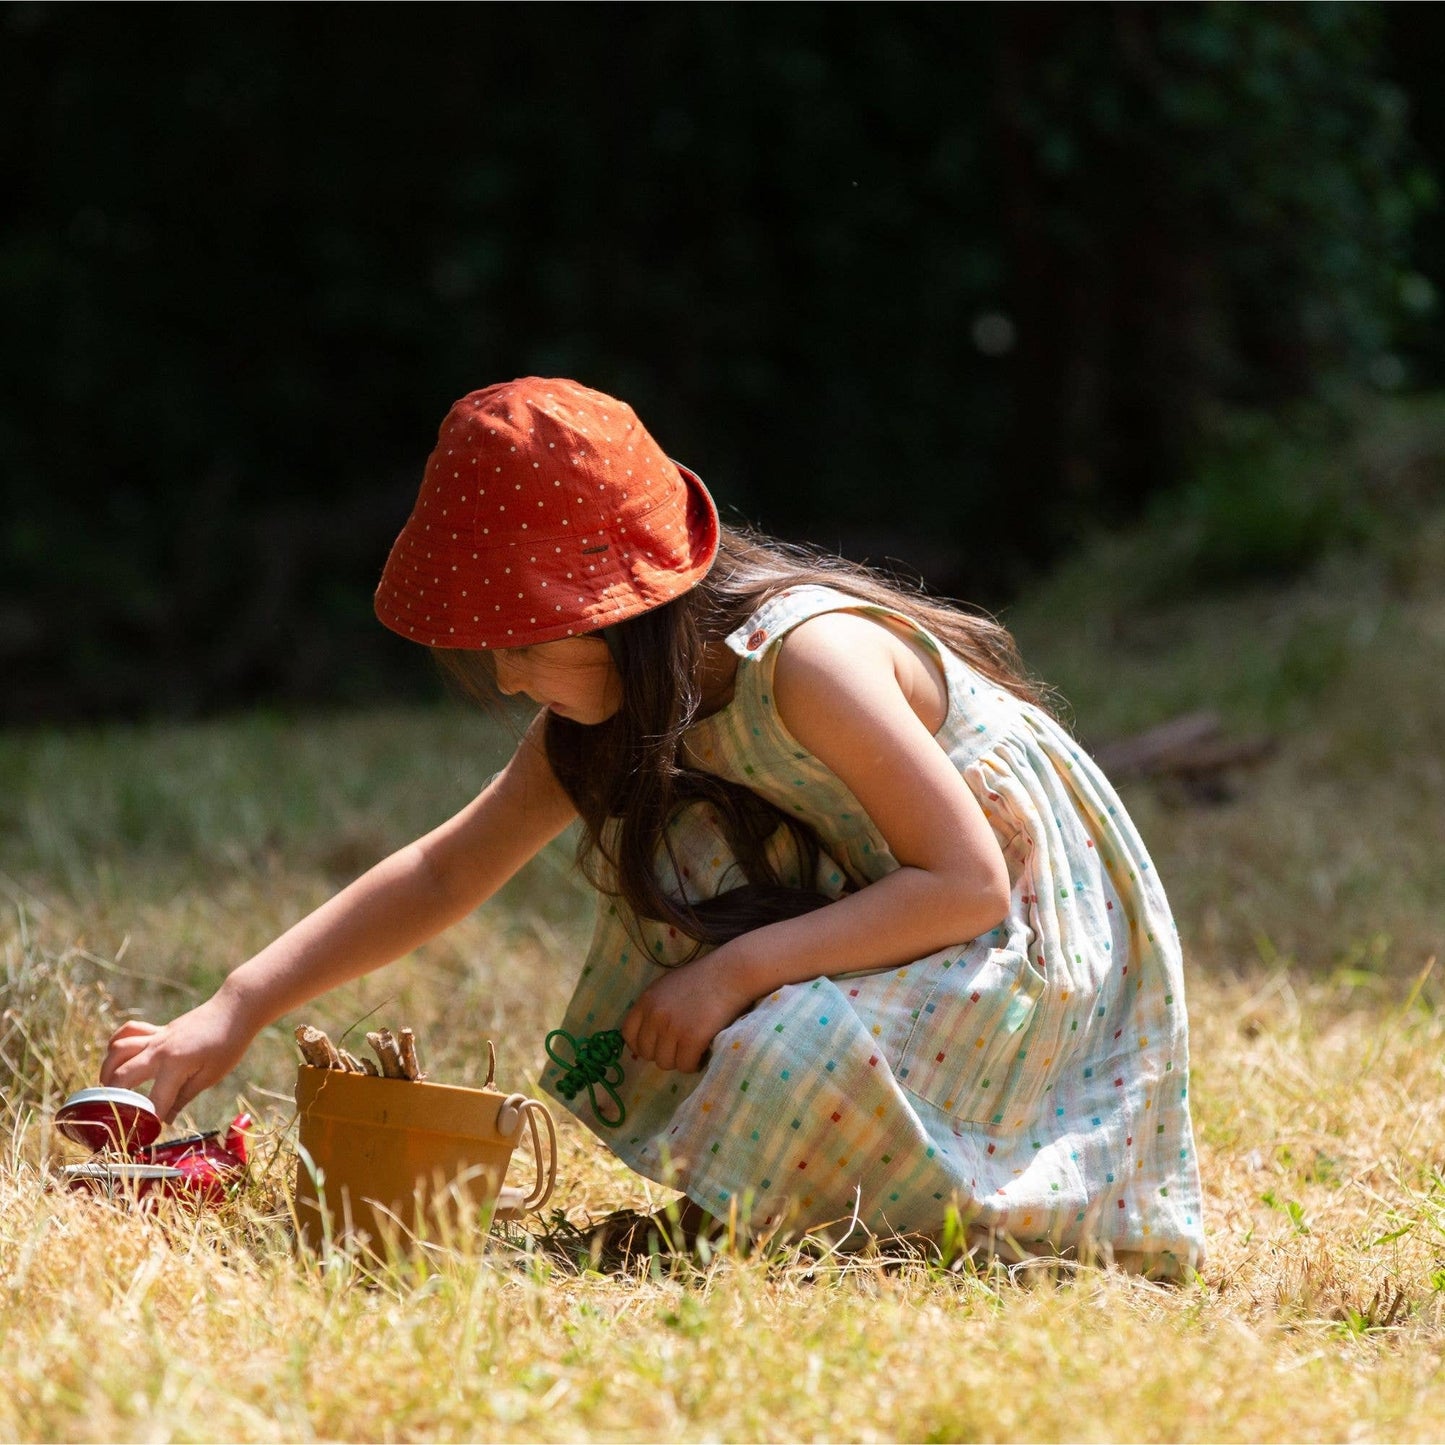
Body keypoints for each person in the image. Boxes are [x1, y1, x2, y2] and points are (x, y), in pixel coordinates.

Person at [101, 377, 1205, 1276]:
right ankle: (787, 1208)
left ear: (630, 610)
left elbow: (966, 884)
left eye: (531, 638)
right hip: (891, 913)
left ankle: (812, 1223)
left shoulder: (809, 661)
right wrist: (235, 1003)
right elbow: (443, 873)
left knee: (770, 1035)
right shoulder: (608, 715)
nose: (506, 671)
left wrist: (739, 973)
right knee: (715, 984)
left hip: (1013, 928)